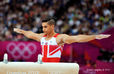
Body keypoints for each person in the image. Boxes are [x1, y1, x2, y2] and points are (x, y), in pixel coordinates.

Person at [14, 17, 110, 62]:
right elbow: (30, 34)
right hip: (42, 65)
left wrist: (94, 36)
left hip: (54, 68)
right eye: (42, 27)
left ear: (52, 26)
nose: (43, 29)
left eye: (45, 27)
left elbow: (77, 38)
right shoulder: (41, 36)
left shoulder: (59, 38)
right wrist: (22, 31)